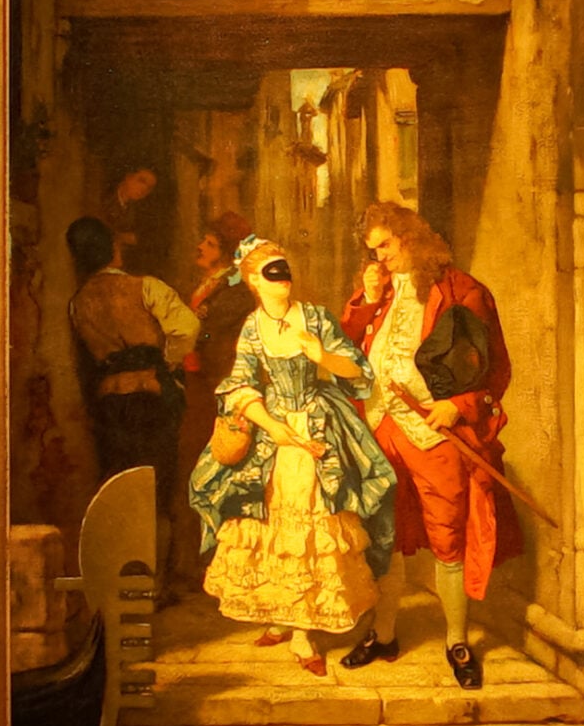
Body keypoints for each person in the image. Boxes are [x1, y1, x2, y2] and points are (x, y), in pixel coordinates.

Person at [187, 238, 396, 677]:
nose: (283, 280)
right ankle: (283, 615)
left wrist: (323, 356)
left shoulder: (315, 317)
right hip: (273, 430)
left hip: (318, 424)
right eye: (272, 273)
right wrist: (270, 424)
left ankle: (303, 632)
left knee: (312, 522)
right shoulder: (252, 326)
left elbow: (359, 372)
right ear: (254, 281)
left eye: (285, 270)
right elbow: (239, 382)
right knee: (268, 521)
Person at [339, 200, 522, 689]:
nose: (379, 257)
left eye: (386, 245)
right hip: (380, 428)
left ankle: (456, 640)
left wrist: (459, 406)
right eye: (372, 249)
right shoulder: (378, 291)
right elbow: (344, 348)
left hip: (432, 432)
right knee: (385, 535)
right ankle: (383, 633)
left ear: (411, 237)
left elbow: (494, 367)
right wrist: (365, 300)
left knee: (448, 537)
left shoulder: (462, 291)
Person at [65, 214, 198, 581]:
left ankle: (125, 580)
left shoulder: (78, 302)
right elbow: (187, 328)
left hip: (110, 404)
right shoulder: (146, 287)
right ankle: (154, 583)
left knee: (120, 487)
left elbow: (85, 360)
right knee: (157, 488)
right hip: (150, 396)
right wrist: (167, 360)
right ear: (112, 250)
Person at [172, 211, 258, 602]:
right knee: (193, 471)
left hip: (216, 388)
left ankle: (217, 565)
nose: (199, 248)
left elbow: (209, 334)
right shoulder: (207, 284)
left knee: (217, 470)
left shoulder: (235, 290)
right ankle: (194, 564)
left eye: (207, 244)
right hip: (197, 385)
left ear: (224, 252)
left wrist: (194, 328)